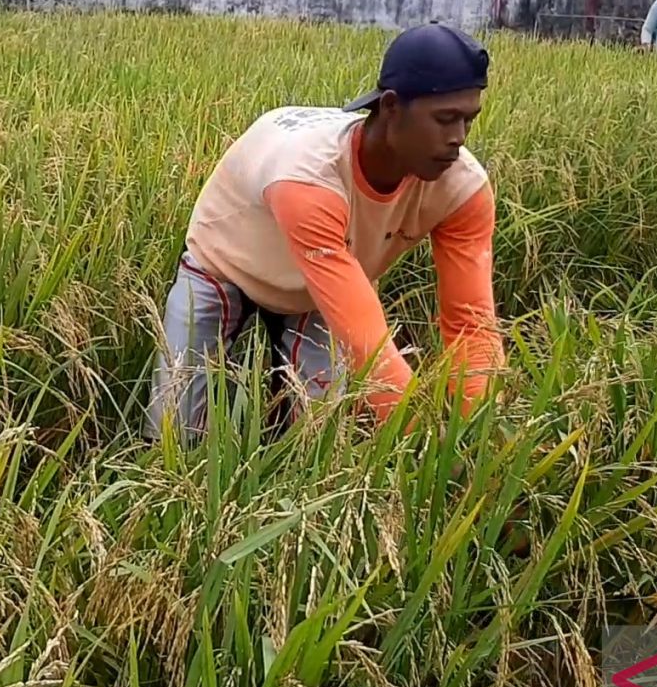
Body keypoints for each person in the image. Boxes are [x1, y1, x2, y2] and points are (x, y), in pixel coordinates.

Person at [144, 22, 505, 443]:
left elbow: (471, 323)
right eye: (444, 119)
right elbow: (369, 345)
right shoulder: (310, 179)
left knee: (316, 436)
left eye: (468, 119)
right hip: (225, 263)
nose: (457, 139)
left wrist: (479, 437)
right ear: (390, 108)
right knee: (174, 430)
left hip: (319, 289)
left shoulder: (462, 189)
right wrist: (422, 441)